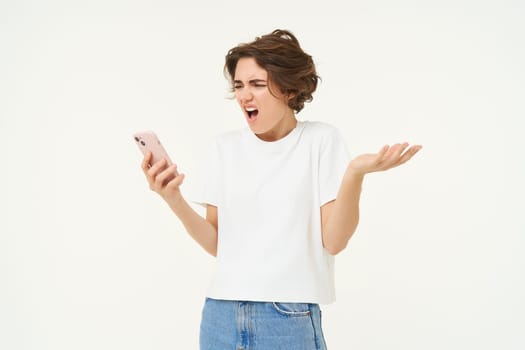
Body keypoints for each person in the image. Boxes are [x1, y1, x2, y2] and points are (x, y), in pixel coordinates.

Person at [141, 29, 422, 350]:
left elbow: (334, 240)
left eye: (257, 84)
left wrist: (355, 174)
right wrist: (172, 198)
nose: (245, 95)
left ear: (289, 90)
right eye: (239, 85)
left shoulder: (321, 140)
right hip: (220, 313)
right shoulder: (223, 148)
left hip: (287, 315)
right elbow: (218, 243)